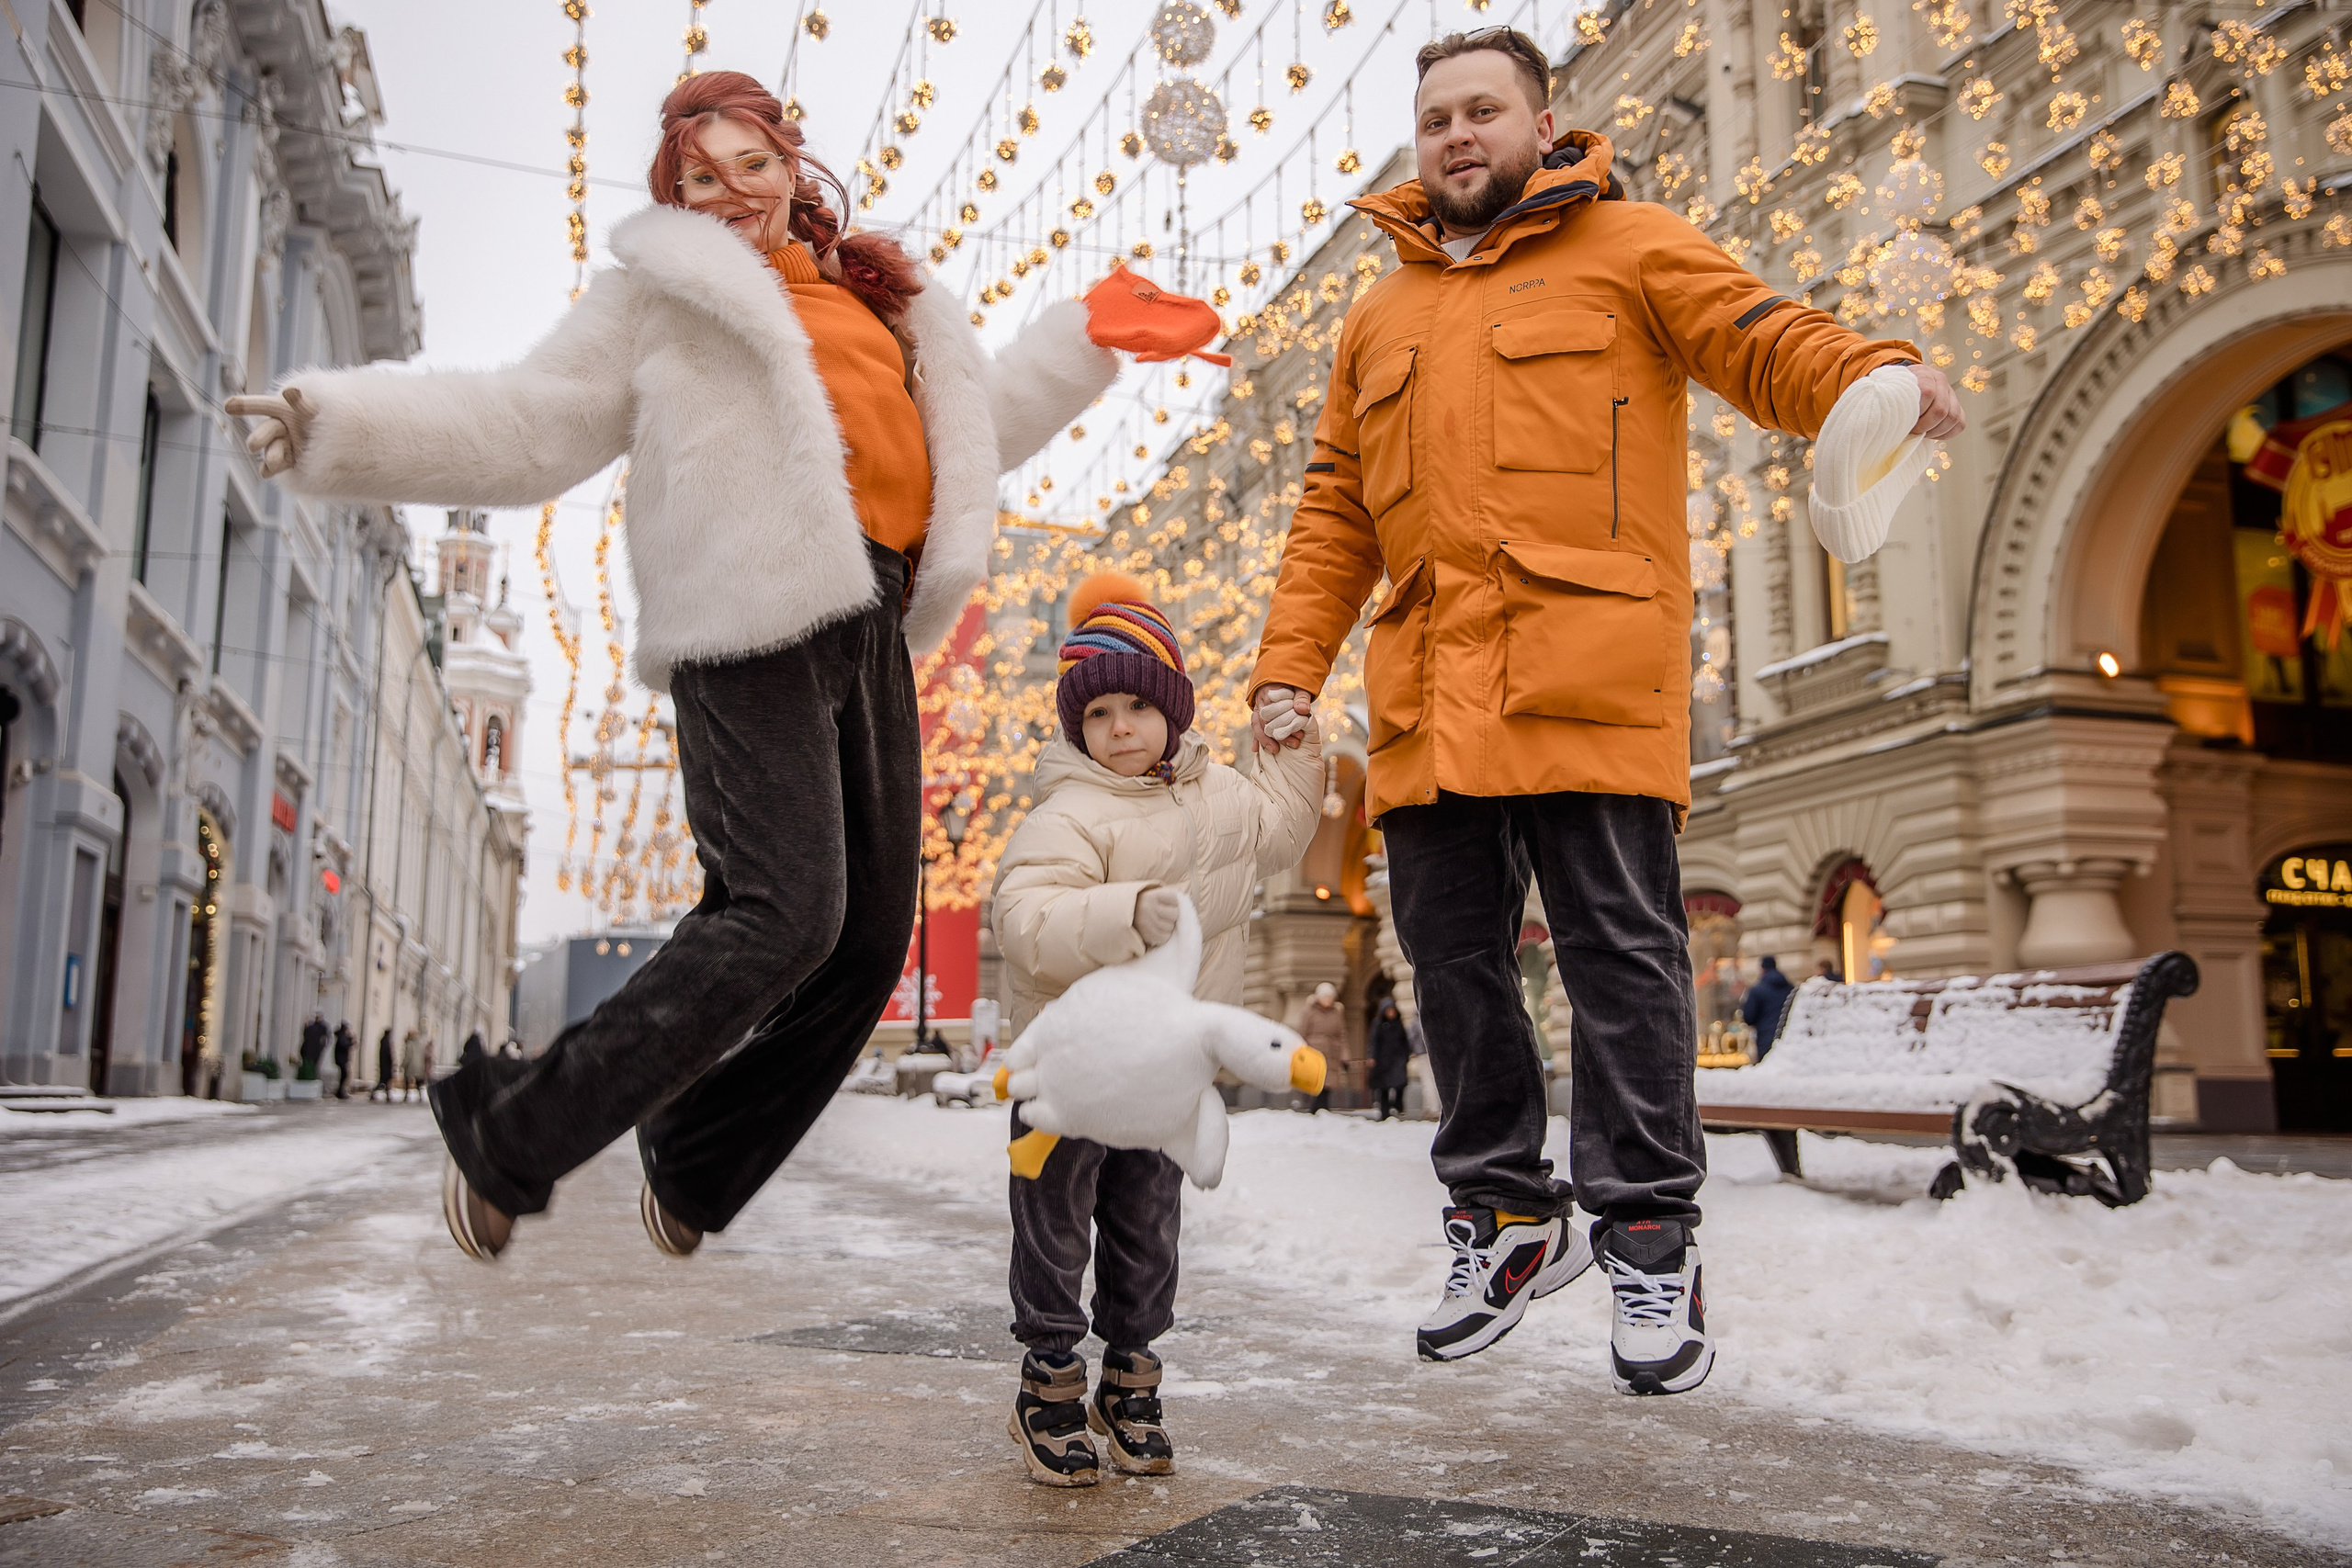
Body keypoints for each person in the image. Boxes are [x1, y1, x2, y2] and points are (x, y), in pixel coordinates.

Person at [228, 73, 1214, 1264]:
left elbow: (966, 434)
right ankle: (512, 1127)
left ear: (794, 168)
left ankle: (695, 1156)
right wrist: (335, 424)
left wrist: (1085, 338)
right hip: (744, 611)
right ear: (677, 195)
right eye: (702, 175)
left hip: (870, 617)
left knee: (863, 941)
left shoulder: (889, 307)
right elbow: (527, 417)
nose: (732, 191)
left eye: (752, 163)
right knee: (782, 911)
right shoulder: (663, 303)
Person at [1246, 28, 1962, 1392]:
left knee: (1619, 951)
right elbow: (1335, 509)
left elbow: (1759, 337)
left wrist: (1869, 372)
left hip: (1588, 665)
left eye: (1483, 110)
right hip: (1431, 688)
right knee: (1447, 961)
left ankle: (1646, 1233)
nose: (1457, 135)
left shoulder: (1631, 246)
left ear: (1540, 123)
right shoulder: (1375, 316)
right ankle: (1504, 1215)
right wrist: (1289, 666)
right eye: (1436, 116)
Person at [991, 574, 1321, 1486]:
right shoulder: (1066, 812)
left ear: (1174, 711)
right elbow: (1022, 919)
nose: (1120, 726)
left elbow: (1286, 830)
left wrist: (1289, 748)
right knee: (1054, 1231)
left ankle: (1130, 1378)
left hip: (1162, 1081)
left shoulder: (1221, 802)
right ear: (1078, 730)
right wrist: (1113, 915)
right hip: (1068, 1074)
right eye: (1098, 712)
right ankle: (1048, 1379)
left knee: (1146, 1234)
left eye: (1138, 704)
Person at [1295, 983, 1349, 1111]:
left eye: (1330, 997)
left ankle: (1323, 1110)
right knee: (1316, 1083)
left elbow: (1342, 1035)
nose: (1328, 1000)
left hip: (1331, 1053)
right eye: (1325, 997)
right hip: (1314, 1052)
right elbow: (1302, 1033)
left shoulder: (1336, 1013)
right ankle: (1313, 1109)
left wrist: (1345, 1057)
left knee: (1328, 1085)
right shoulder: (1309, 1012)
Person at [1739, 957, 1794, 1061]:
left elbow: (1748, 1017)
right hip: (1787, 1037)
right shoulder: (1790, 988)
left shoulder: (1757, 990)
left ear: (1762, 969)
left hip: (1765, 1039)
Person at [1369, 997, 1411, 1121]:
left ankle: (1398, 1106)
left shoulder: (1398, 1024)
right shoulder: (1378, 1024)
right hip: (1382, 1060)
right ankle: (1384, 1112)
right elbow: (1373, 1042)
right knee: (1383, 1088)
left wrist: (1405, 1056)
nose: (1391, 1013)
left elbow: (1405, 1041)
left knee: (1400, 1083)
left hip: (1397, 1059)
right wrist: (1372, 1057)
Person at [299, 1015, 330, 1080]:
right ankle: (312, 1077)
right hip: (313, 1050)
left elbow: (305, 1036)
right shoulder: (319, 1027)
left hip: (311, 1050)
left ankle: (311, 1077)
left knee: (311, 1066)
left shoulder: (315, 1027)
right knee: (313, 1066)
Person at [399, 1029, 424, 1104]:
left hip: (411, 1065)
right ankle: (420, 1096)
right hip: (419, 1065)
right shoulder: (420, 1043)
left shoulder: (409, 1044)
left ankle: (406, 1095)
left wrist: (403, 1065)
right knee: (418, 1081)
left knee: (407, 1080)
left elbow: (408, 1056)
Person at [332, 1021, 355, 1100]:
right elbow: (344, 1045)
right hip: (341, 1059)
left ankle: (341, 1091)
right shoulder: (342, 1036)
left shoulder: (342, 1036)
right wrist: (351, 1041)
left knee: (344, 1075)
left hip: (342, 1059)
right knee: (344, 1075)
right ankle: (340, 1092)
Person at [371, 1029, 394, 1103]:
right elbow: (388, 1054)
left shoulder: (384, 1041)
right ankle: (386, 1095)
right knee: (383, 1081)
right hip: (386, 1065)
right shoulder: (386, 1042)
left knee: (384, 1082)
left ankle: (388, 1095)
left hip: (384, 1065)